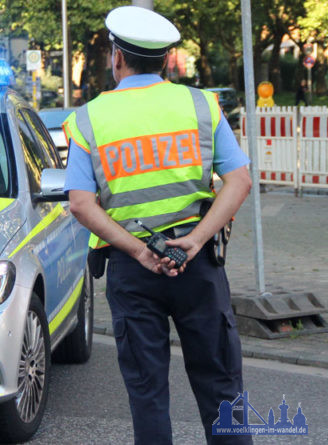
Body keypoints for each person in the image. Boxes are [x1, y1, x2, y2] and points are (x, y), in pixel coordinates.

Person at [61, 6, 252, 445]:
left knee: (148, 397)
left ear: (116, 58)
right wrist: (194, 241)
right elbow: (238, 181)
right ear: (167, 60)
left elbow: (80, 205)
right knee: (223, 390)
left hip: (133, 270)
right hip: (199, 265)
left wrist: (138, 252)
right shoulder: (200, 105)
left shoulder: (89, 119)